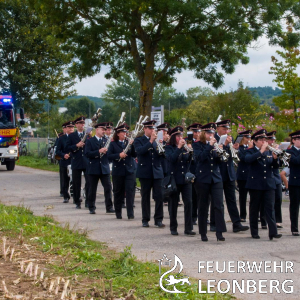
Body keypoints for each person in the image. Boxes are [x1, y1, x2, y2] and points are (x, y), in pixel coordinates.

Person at [245, 129, 281, 240]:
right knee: (254, 208)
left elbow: (274, 167)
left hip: (269, 183)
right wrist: (260, 151)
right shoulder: (250, 151)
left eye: (264, 140)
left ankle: (273, 232)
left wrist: (275, 159)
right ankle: (254, 231)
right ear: (255, 141)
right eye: (261, 140)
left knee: (270, 208)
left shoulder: (269, 151)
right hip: (255, 184)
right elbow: (248, 160)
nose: (264, 142)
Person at [214, 120, 249, 233]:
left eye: (227, 129)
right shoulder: (213, 138)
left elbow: (231, 156)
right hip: (218, 173)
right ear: (218, 128)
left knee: (232, 200)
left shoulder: (230, 138)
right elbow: (216, 155)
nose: (226, 131)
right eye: (224, 128)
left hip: (229, 173)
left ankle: (236, 223)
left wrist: (235, 147)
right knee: (217, 201)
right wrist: (224, 145)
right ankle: (215, 223)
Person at [194, 123, 227, 242]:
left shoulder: (216, 145)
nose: (211, 135)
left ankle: (219, 232)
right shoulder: (197, 145)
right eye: (208, 133)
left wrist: (220, 152)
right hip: (203, 179)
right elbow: (200, 158)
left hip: (216, 178)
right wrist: (210, 146)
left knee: (219, 205)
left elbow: (220, 162)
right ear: (203, 134)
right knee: (203, 206)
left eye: (212, 133)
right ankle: (203, 232)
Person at [133, 120, 165, 228]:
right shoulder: (139, 140)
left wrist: (160, 144)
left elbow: (162, 155)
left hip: (157, 171)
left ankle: (159, 219)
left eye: (153, 129)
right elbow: (140, 151)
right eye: (150, 128)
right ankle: (145, 219)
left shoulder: (157, 141)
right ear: (145, 129)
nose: (152, 131)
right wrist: (150, 141)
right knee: (145, 197)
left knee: (159, 196)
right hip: (145, 172)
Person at [165, 126, 195, 236]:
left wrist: (190, 151)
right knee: (173, 205)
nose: (180, 138)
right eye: (178, 136)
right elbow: (172, 159)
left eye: (181, 136)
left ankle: (188, 228)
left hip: (185, 180)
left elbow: (191, 161)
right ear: (173, 137)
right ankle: (173, 227)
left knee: (189, 203)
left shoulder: (184, 147)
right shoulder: (169, 148)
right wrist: (179, 147)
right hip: (174, 179)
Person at [107, 124, 136, 219]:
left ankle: (130, 214)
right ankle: (118, 212)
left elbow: (134, 154)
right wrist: (118, 155)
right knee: (118, 192)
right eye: (123, 132)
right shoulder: (113, 144)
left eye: (126, 132)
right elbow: (109, 156)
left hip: (129, 171)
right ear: (118, 133)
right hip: (118, 171)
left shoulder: (129, 142)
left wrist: (133, 144)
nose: (125, 133)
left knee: (130, 192)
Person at [85, 122, 115, 214]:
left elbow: (110, 154)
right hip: (94, 168)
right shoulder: (90, 141)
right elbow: (87, 154)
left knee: (108, 188)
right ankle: (91, 207)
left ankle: (109, 207)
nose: (104, 131)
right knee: (92, 189)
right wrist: (98, 151)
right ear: (97, 129)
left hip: (104, 167)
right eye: (102, 129)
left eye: (105, 130)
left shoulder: (107, 140)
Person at [66, 116, 90, 209]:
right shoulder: (72, 136)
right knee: (76, 182)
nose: (82, 125)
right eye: (80, 123)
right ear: (76, 125)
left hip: (86, 161)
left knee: (89, 182)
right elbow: (67, 147)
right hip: (76, 161)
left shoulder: (87, 135)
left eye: (83, 124)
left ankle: (88, 200)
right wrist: (76, 145)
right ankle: (77, 201)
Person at [266, 131, 283, 229]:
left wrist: (278, 154)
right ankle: (265, 220)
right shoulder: (264, 150)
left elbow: (280, 164)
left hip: (276, 177)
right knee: (268, 201)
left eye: (273, 139)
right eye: (271, 139)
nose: (272, 141)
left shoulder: (275, 149)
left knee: (278, 199)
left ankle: (278, 220)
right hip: (267, 177)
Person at [187, 123, 202, 225]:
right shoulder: (187, 141)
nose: (196, 133)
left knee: (201, 196)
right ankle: (192, 217)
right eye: (194, 131)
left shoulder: (202, 142)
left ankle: (201, 216)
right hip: (190, 170)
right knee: (191, 196)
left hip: (200, 171)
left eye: (198, 131)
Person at [236, 130, 253, 222]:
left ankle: (254, 215)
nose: (249, 139)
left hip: (251, 174)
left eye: (250, 137)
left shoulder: (251, 148)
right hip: (243, 175)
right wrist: (249, 149)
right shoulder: (240, 148)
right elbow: (243, 158)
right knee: (243, 197)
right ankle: (242, 215)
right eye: (247, 137)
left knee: (253, 196)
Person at [56, 121, 74, 203]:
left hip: (73, 161)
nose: (71, 129)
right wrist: (63, 155)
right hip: (65, 161)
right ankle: (66, 196)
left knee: (75, 179)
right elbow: (58, 151)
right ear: (66, 129)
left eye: (72, 127)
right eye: (69, 127)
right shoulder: (61, 138)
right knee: (65, 180)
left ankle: (75, 195)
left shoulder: (76, 138)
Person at [286, 130, 300, 236]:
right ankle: (294, 227)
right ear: (293, 140)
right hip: (295, 182)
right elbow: (295, 161)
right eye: (299, 139)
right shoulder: (289, 151)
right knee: (294, 206)